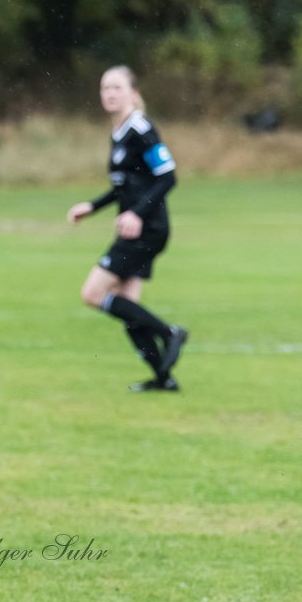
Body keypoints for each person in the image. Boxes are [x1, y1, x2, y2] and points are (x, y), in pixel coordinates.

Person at [67, 65, 189, 392]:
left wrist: (136, 213)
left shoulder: (140, 129)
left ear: (133, 93)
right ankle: (163, 378)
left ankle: (170, 333)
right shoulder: (119, 131)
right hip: (136, 228)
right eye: (105, 88)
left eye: (117, 88)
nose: (109, 93)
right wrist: (91, 206)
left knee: (93, 293)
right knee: (128, 306)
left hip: (146, 231)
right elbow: (124, 186)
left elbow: (168, 176)